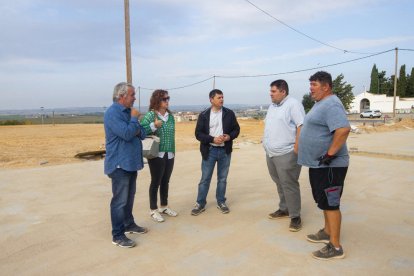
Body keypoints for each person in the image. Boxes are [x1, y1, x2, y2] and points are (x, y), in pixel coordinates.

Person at [298, 71, 351, 260]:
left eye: (314, 85)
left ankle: (335, 247)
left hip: (330, 166)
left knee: (331, 203)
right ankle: (327, 231)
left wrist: (329, 154)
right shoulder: (321, 103)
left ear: (326, 87)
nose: (310, 88)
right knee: (323, 201)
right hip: (320, 165)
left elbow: (343, 129)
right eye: (310, 84)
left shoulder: (332, 103)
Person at [104, 82, 148, 248]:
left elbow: (142, 133)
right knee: (119, 201)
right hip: (119, 164)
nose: (135, 98)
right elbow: (127, 134)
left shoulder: (130, 113)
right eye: (132, 95)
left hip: (131, 162)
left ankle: (129, 224)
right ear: (121, 96)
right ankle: (117, 235)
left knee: (129, 198)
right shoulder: (112, 113)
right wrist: (134, 120)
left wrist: (134, 123)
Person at [263, 79, 305, 232]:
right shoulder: (272, 106)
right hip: (271, 153)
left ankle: (295, 216)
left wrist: (297, 147)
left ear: (283, 91)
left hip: (287, 153)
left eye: (273, 91)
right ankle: (284, 208)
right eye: (271, 91)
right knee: (279, 182)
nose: (271, 94)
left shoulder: (293, 105)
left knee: (289, 183)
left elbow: (302, 125)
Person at [191, 89, 240, 215]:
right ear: (211, 100)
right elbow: (198, 134)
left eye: (222, 97)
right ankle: (200, 203)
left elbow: (236, 129)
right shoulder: (204, 115)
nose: (222, 99)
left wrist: (229, 136)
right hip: (210, 150)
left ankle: (221, 202)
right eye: (219, 97)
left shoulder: (229, 113)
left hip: (225, 150)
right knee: (205, 179)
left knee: (222, 179)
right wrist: (212, 139)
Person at [141, 90, 177, 222]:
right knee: (156, 181)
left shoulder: (170, 116)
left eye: (168, 98)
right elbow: (141, 130)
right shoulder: (151, 115)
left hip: (170, 153)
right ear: (157, 101)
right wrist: (153, 125)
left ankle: (164, 206)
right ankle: (153, 210)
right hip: (156, 153)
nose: (167, 101)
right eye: (164, 99)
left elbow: (172, 135)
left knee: (165, 181)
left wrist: (173, 151)